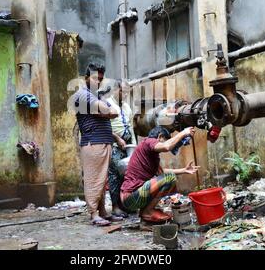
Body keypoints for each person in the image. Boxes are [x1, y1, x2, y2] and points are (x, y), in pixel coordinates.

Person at [120, 125, 221, 223]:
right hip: (130, 196)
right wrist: (183, 133)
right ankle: (148, 211)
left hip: (133, 196)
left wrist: (184, 170)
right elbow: (167, 146)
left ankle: (146, 213)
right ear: (160, 137)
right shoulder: (148, 142)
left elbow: (162, 173)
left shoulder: (151, 154)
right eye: (165, 139)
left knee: (168, 179)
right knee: (170, 178)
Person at [73, 63, 119, 227]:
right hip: (93, 143)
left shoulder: (95, 95)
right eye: (94, 78)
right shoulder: (83, 94)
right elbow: (110, 111)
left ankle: (103, 212)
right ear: (86, 78)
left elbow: (114, 111)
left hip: (103, 142)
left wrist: (104, 110)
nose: (97, 82)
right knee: (94, 179)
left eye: (100, 79)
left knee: (101, 180)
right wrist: (105, 111)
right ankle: (93, 214)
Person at [106, 79, 136, 218]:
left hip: (128, 145)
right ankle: (115, 207)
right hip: (114, 145)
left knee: (127, 176)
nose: (125, 95)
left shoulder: (126, 107)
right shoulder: (107, 105)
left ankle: (126, 205)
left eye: (127, 93)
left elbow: (130, 128)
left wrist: (134, 146)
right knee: (114, 176)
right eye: (123, 92)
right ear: (115, 90)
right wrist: (117, 139)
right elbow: (105, 128)